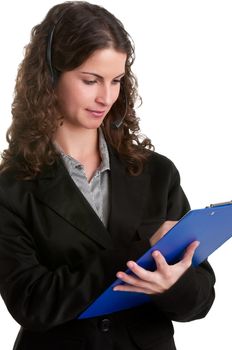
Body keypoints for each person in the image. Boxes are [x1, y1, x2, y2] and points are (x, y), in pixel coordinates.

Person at [0, 2, 215, 349]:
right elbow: (32, 301)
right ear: (50, 77)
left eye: (116, 81)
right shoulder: (11, 187)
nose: (106, 97)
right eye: (90, 80)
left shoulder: (158, 172)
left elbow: (201, 300)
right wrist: (142, 254)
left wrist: (172, 282)